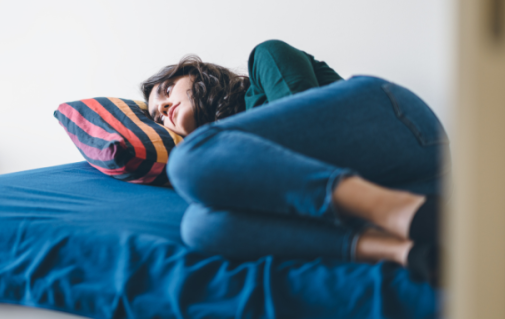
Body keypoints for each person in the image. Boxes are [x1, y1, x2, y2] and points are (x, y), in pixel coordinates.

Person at [141, 40, 447, 283]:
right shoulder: (214, 163)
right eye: (157, 116)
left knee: (187, 160)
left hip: (399, 127)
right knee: (199, 226)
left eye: (167, 91)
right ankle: (404, 250)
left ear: (197, 72)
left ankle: (403, 214)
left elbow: (311, 131)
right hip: (403, 180)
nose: (165, 107)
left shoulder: (264, 59)